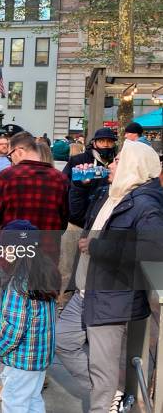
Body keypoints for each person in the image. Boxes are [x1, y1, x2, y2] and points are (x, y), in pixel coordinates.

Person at [56, 140, 163, 413]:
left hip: (110, 295)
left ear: (132, 166)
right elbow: (77, 215)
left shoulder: (145, 203)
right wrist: (79, 188)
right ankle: (110, 394)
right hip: (86, 289)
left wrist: (97, 247)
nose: (111, 164)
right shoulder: (111, 192)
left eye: (117, 161)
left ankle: (104, 403)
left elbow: (155, 249)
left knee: (101, 367)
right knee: (62, 340)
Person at [0, 220, 60, 413]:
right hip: (39, 357)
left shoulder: (19, 284)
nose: (2, 253)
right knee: (32, 399)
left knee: (14, 402)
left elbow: (14, 327)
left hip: (22, 359)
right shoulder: (43, 274)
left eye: (5, 247)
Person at [0, 132, 69, 232]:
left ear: (19, 152)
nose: (11, 159)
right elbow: (64, 217)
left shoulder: (6, 176)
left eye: (10, 155)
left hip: (13, 242)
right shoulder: (60, 178)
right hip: (48, 242)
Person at [63, 127, 117, 229]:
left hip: (103, 223)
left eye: (109, 141)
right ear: (94, 143)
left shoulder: (116, 163)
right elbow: (64, 185)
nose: (105, 145)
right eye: (101, 141)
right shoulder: (78, 160)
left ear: (114, 144)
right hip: (77, 222)